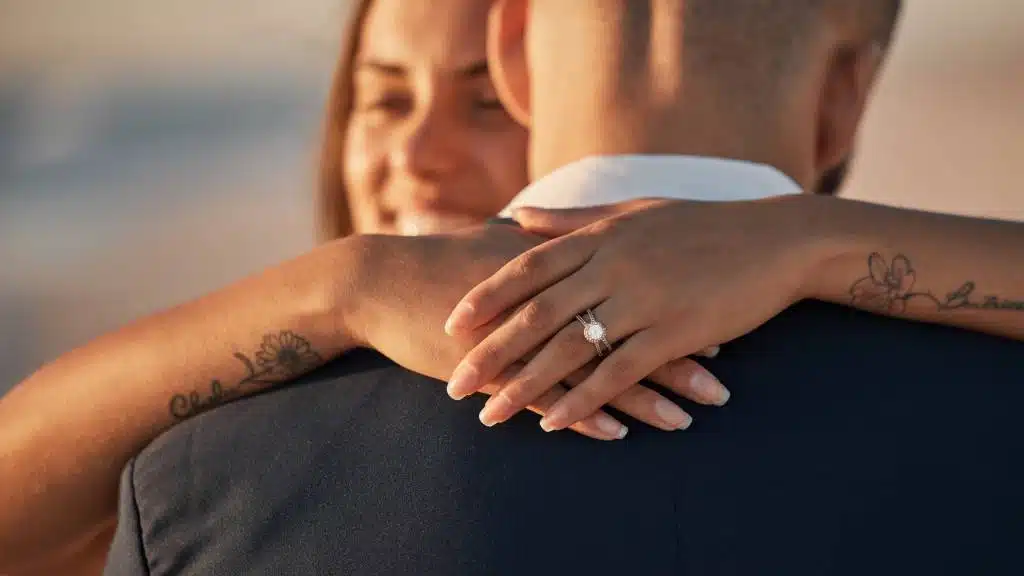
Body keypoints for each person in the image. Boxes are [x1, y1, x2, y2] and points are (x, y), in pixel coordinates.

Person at [103, 0, 1024, 575]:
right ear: (845, 98)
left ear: (512, 50)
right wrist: (819, 242)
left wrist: (344, 284)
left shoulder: (201, 485)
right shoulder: (998, 424)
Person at [0, 1, 718, 574]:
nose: (414, 152)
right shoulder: (231, 464)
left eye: (490, 102)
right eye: (386, 98)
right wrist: (346, 282)